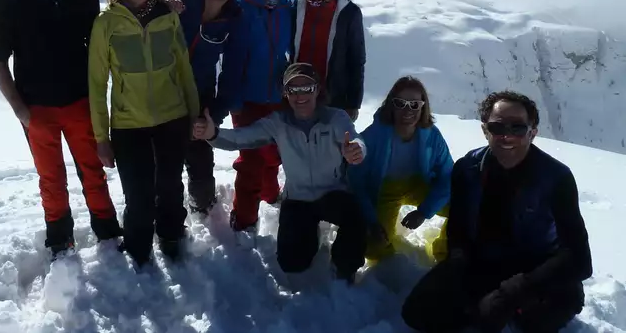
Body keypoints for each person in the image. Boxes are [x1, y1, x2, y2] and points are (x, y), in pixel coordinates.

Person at [402, 91, 592, 333]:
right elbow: (458, 228)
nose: (507, 136)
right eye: (497, 127)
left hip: (538, 271)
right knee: (417, 313)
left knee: (534, 321)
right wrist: (457, 265)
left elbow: (579, 258)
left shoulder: (556, 178)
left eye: (518, 128)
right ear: (485, 130)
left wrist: (514, 291)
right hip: (483, 263)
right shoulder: (467, 169)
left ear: (533, 133)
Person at [0, 0, 121, 258]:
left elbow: (99, 51)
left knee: (93, 172)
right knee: (51, 179)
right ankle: (60, 241)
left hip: (80, 102)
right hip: (37, 109)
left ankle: (108, 233)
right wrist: (21, 111)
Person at [193, 63, 367, 284]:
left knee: (356, 218)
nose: (300, 95)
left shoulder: (335, 118)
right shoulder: (279, 123)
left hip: (333, 193)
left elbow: (355, 138)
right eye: (293, 89)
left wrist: (356, 149)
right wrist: (213, 134)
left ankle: (344, 266)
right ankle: (310, 235)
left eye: (307, 88)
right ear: (285, 93)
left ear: (317, 90)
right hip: (298, 199)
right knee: (292, 263)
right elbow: (242, 137)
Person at [88, 0, 199, 268]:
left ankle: (171, 235)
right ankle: (137, 244)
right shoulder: (105, 24)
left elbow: (182, 68)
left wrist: (193, 115)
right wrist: (101, 138)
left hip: (172, 117)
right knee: (137, 194)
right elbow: (96, 84)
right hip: (128, 124)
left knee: (169, 185)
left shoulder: (168, 16)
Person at [163, 0, 245, 215]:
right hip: (161, 93)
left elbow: (232, 71)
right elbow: (145, 2)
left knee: (200, 159)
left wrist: (215, 115)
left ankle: (204, 210)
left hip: (201, 97)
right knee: (163, 161)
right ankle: (166, 214)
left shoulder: (234, 17)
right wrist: (162, 2)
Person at [348, 76, 453, 264]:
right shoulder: (373, 136)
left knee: (461, 205)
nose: (407, 110)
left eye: (414, 105)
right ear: (391, 105)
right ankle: (389, 261)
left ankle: (444, 251)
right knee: (374, 249)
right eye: (400, 103)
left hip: (419, 185)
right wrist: (372, 221)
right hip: (385, 190)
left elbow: (448, 177)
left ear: (423, 107)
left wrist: (424, 212)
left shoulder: (432, 136)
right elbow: (357, 182)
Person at [228, 0, 293, 233]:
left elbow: (294, 51)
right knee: (251, 160)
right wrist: (234, 97)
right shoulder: (240, 7)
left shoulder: (287, 8)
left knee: (275, 154)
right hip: (247, 98)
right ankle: (244, 220)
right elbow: (231, 54)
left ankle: (270, 194)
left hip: (279, 97)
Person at [291, 0, 366, 121]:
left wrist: (353, 102)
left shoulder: (348, 13)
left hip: (333, 97)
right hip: (298, 95)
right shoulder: (296, 6)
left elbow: (356, 59)